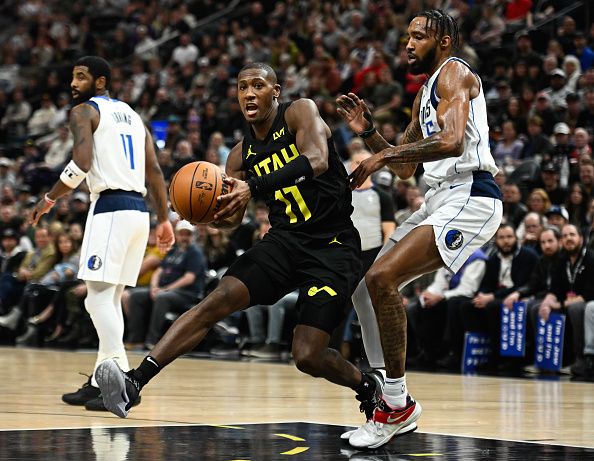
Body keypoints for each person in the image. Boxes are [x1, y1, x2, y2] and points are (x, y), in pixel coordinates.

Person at [96, 63, 378, 427]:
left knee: (308, 355)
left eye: (258, 85)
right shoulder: (238, 155)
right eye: (242, 86)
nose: (248, 93)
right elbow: (232, 217)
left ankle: (367, 385)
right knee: (214, 301)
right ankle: (135, 382)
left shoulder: (299, 112)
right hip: (284, 241)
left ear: (275, 91)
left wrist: (254, 187)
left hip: (332, 243)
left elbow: (318, 161)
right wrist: (208, 214)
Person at [335, 9, 503, 448]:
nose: (407, 44)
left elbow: (450, 142)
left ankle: (395, 406)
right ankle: (388, 397)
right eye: (406, 37)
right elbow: (408, 164)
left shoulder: (454, 75)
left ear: (443, 41)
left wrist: (378, 158)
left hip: (471, 195)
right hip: (439, 197)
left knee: (381, 276)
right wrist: (371, 134)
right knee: (363, 285)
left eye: (417, 37)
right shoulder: (426, 93)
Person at [29, 56, 174, 412]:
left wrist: (48, 198)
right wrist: (164, 219)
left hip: (110, 208)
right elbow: (154, 170)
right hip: (138, 212)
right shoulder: (133, 115)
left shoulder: (84, 112)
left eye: (80, 77)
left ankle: (123, 378)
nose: (73, 83)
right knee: (109, 299)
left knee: (95, 299)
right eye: (72, 76)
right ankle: (98, 381)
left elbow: (81, 163)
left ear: (100, 82)